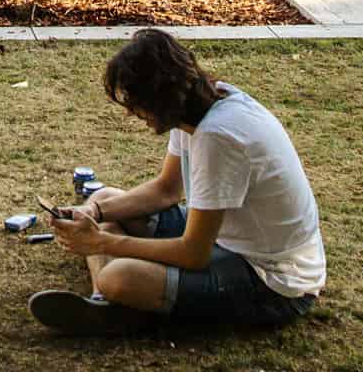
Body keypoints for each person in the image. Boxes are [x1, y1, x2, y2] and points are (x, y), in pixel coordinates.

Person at [33, 28, 323, 337]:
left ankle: (115, 299)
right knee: (105, 198)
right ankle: (107, 304)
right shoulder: (205, 102)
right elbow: (166, 190)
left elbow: (193, 254)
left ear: (159, 97)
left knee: (118, 276)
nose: (132, 114)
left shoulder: (218, 138)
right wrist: (95, 214)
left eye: (134, 102)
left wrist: (102, 242)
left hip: (273, 283)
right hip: (230, 240)